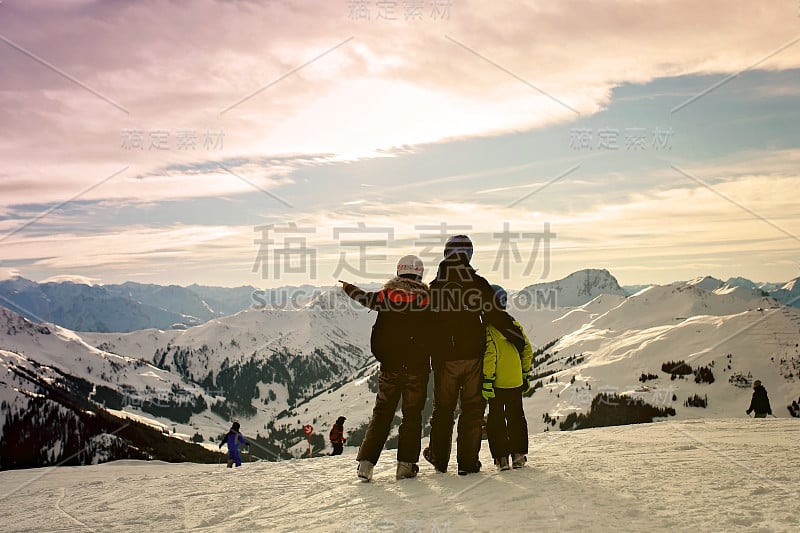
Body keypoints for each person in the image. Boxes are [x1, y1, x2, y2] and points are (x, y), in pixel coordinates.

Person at [423, 235, 526, 475]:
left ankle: (439, 459)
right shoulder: (478, 283)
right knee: (472, 410)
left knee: (443, 410)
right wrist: (517, 340)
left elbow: (425, 325)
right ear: (469, 255)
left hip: (443, 360)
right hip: (473, 357)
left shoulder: (435, 287)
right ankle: (468, 464)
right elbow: (496, 316)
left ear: (446, 255)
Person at [340, 255, 431, 481]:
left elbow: (364, 298)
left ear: (399, 272)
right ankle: (406, 466)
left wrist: (349, 288)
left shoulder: (386, 296)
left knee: (381, 414)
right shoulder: (428, 299)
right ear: (420, 273)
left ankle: (365, 465)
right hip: (417, 368)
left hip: (390, 366)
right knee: (412, 416)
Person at [482, 284, 533, 471]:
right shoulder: (513, 324)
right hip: (515, 380)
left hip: (497, 383)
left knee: (496, 418)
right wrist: (525, 373)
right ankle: (518, 455)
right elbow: (527, 350)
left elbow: (490, 354)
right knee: (516, 416)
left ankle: (501, 458)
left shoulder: (489, 327)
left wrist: (487, 379)